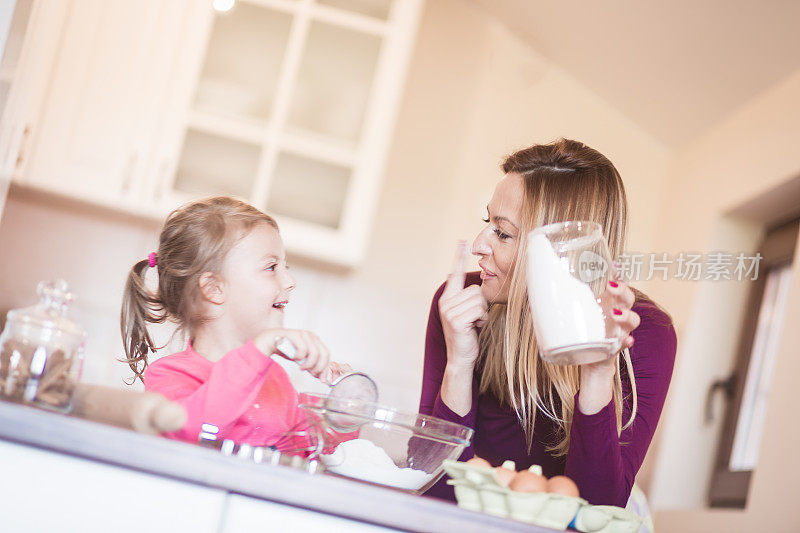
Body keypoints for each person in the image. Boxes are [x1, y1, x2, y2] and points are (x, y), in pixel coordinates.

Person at [420, 138, 677, 507]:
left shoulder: (644, 331)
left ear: (556, 251)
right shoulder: (460, 303)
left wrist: (597, 372)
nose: (479, 244)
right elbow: (432, 490)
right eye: (487, 222)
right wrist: (459, 364)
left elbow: (596, 512)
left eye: (503, 233)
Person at [120, 196, 345, 449]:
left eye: (286, 266)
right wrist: (259, 350)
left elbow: (308, 452)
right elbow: (190, 428)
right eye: (271, 267)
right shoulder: (171, 375)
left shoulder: (275, 380)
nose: (290, 280)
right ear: (214, 288)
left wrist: (342, 413)